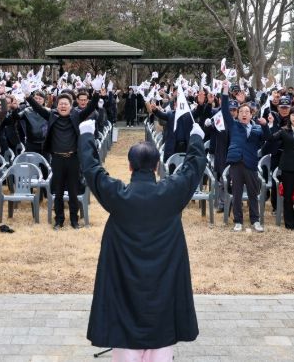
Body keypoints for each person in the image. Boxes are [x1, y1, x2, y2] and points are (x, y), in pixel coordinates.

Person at [79, 116, 206, 361]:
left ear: (129, 166)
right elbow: (192, 169)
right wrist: (196, 139)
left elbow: (92, 170)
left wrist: (86, 136)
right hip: (163, 289)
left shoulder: (118, 196)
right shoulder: (171, 193)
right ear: (157, 166)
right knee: (161, 347)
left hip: (124, 288)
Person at [26, 88, 100, 230]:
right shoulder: (51, 115)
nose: (63, 106)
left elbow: (90, 107)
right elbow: (38, 108)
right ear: (57, 105)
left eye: (66, 104)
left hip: (73, 159)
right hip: (57, 159)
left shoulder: (77, 116)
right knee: (58, 192)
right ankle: (59, 220)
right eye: (61, 104)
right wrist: (28, 96)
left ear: (71, 106)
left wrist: (96, 93)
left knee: (73, 191)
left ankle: (74, 220)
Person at [221, 82, 271, 232]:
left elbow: (268, 138)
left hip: (251, 164)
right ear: (237, 114)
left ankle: (255, 220)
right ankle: (238, 221)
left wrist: (265, 125)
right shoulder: (234, 125)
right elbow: (224, 110)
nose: (244, 114)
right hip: (236, 163)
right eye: (241, 111)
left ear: (251, 114)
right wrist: (225, 91)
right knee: (236, 194)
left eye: (247, 112)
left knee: (253, 194)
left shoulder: (257, 128)